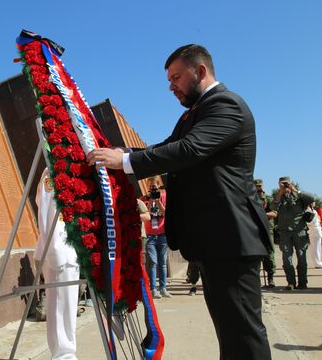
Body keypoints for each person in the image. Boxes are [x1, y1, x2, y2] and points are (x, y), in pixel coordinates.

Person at [87, 44, 272, 360]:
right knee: (230, 332)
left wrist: (125, 161)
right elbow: (168, 146)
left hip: (232, 238)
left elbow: (189, 150)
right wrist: (120, 154)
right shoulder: (195, 114)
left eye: (176, 77)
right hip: (217, 241)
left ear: (200, 72)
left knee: (243, 333)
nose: (170, 86)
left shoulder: (226, 105)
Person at [35, 168, 79, 360]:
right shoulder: (52, 172)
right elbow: (47, 214)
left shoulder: (68, 169)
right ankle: (62, 356)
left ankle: (68, 354)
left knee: (68, 309)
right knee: (60, 310)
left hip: (70, 251)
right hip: (60, 251)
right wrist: (55, 253)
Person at [272, 177, 315, 290]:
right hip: (285, 232)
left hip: (299, 231)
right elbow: (272, 207)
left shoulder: (300, 197)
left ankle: (302, 282)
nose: (285, 186)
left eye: (286, 184)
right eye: (282, 184)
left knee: (301, 257)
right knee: (286, 258)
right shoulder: (279, 198)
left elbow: (312, 198)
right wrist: (280, 192)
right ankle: (291, 282)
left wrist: (295, 190)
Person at [140, 177, 171, 298]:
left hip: (162, 233)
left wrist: (158, 202)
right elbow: (145, 215)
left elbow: (166, 214)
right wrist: (150, 202)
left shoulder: (164, 197)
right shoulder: (144, 199)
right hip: (150, 235)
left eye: (155, 186)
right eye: (151, 187)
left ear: (159, 186)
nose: (153, 189)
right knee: (153, 262)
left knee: (162, 262)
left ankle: (163, 288)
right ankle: (153, 289)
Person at [255, 178, 277, 288]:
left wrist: (262, 214)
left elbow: (274, 213)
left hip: (268, 230)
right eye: (256, 186)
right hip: (254, 231)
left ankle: (270, 278)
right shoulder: (249, 199)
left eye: (260, 186)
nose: (258, 188)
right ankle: (255, 280)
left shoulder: (268, 199)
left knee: (269, 254)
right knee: (256, 255)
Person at [306, 202, 322, 268]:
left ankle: (318, 262)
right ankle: (317, 263)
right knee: (315, 248)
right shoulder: (308, 211)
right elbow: (310, 221)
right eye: (313, 202)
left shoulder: (313, 210)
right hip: (314, 229)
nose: (314, 203)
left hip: (316, 229)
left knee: (317, 247)